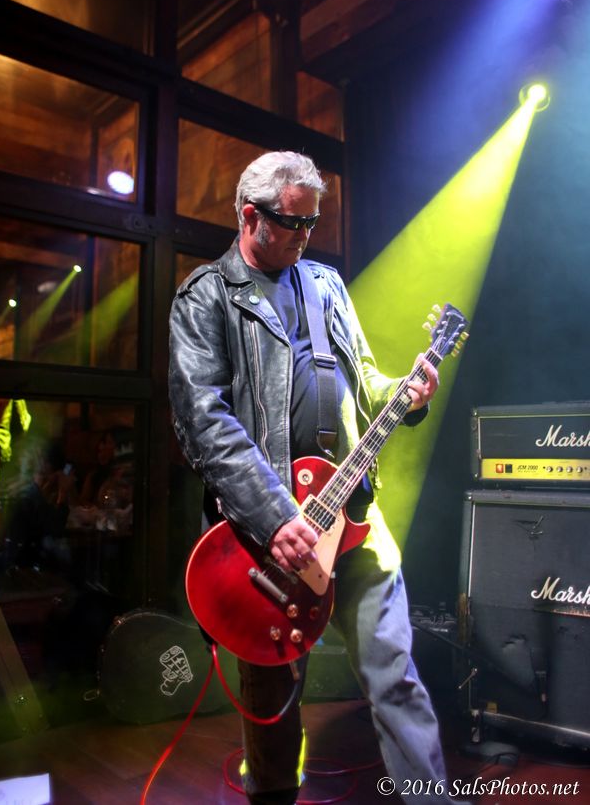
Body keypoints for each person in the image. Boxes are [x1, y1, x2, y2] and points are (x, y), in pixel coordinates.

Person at [169, 151, 461, 805]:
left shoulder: (325, 284)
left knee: (395, 674)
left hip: (353, 511)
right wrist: (276, 517)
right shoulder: (207, 296)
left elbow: (363, 380)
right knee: (271, 701)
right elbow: (202, 422)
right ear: (250, 216)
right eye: (293, 223)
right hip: (266, 532)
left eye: (312, 224)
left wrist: (406, 391)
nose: (305, 236)